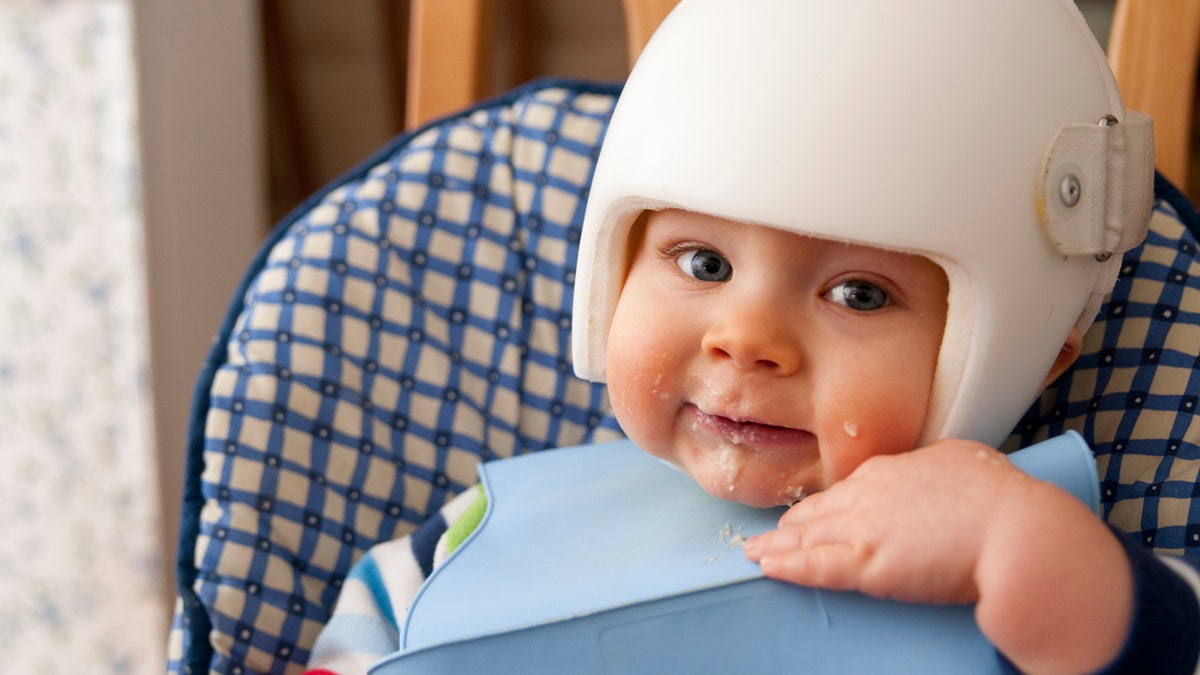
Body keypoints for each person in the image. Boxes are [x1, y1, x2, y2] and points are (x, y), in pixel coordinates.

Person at [306, 0, 1200, 673]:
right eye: (703, 263)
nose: (746, 339)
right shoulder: (461, 549)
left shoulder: (1046, 574)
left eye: (858, 293)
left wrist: (1027, 551)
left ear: (1025, 355)